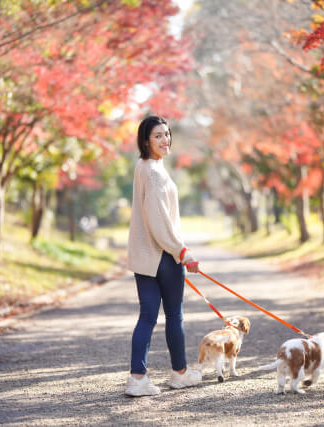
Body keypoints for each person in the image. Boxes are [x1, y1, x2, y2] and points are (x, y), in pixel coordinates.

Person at [124, 115, 202, 397]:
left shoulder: (145, 167)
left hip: (145, 257)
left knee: (147, 317)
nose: (165, 140)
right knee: (173, 315)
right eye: (157, 136)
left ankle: (137, 378)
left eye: (167, 134)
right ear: (146, 141)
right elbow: (158, 221)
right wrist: (181, 250)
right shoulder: (154, 173)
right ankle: (180, 374)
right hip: (164, 256)